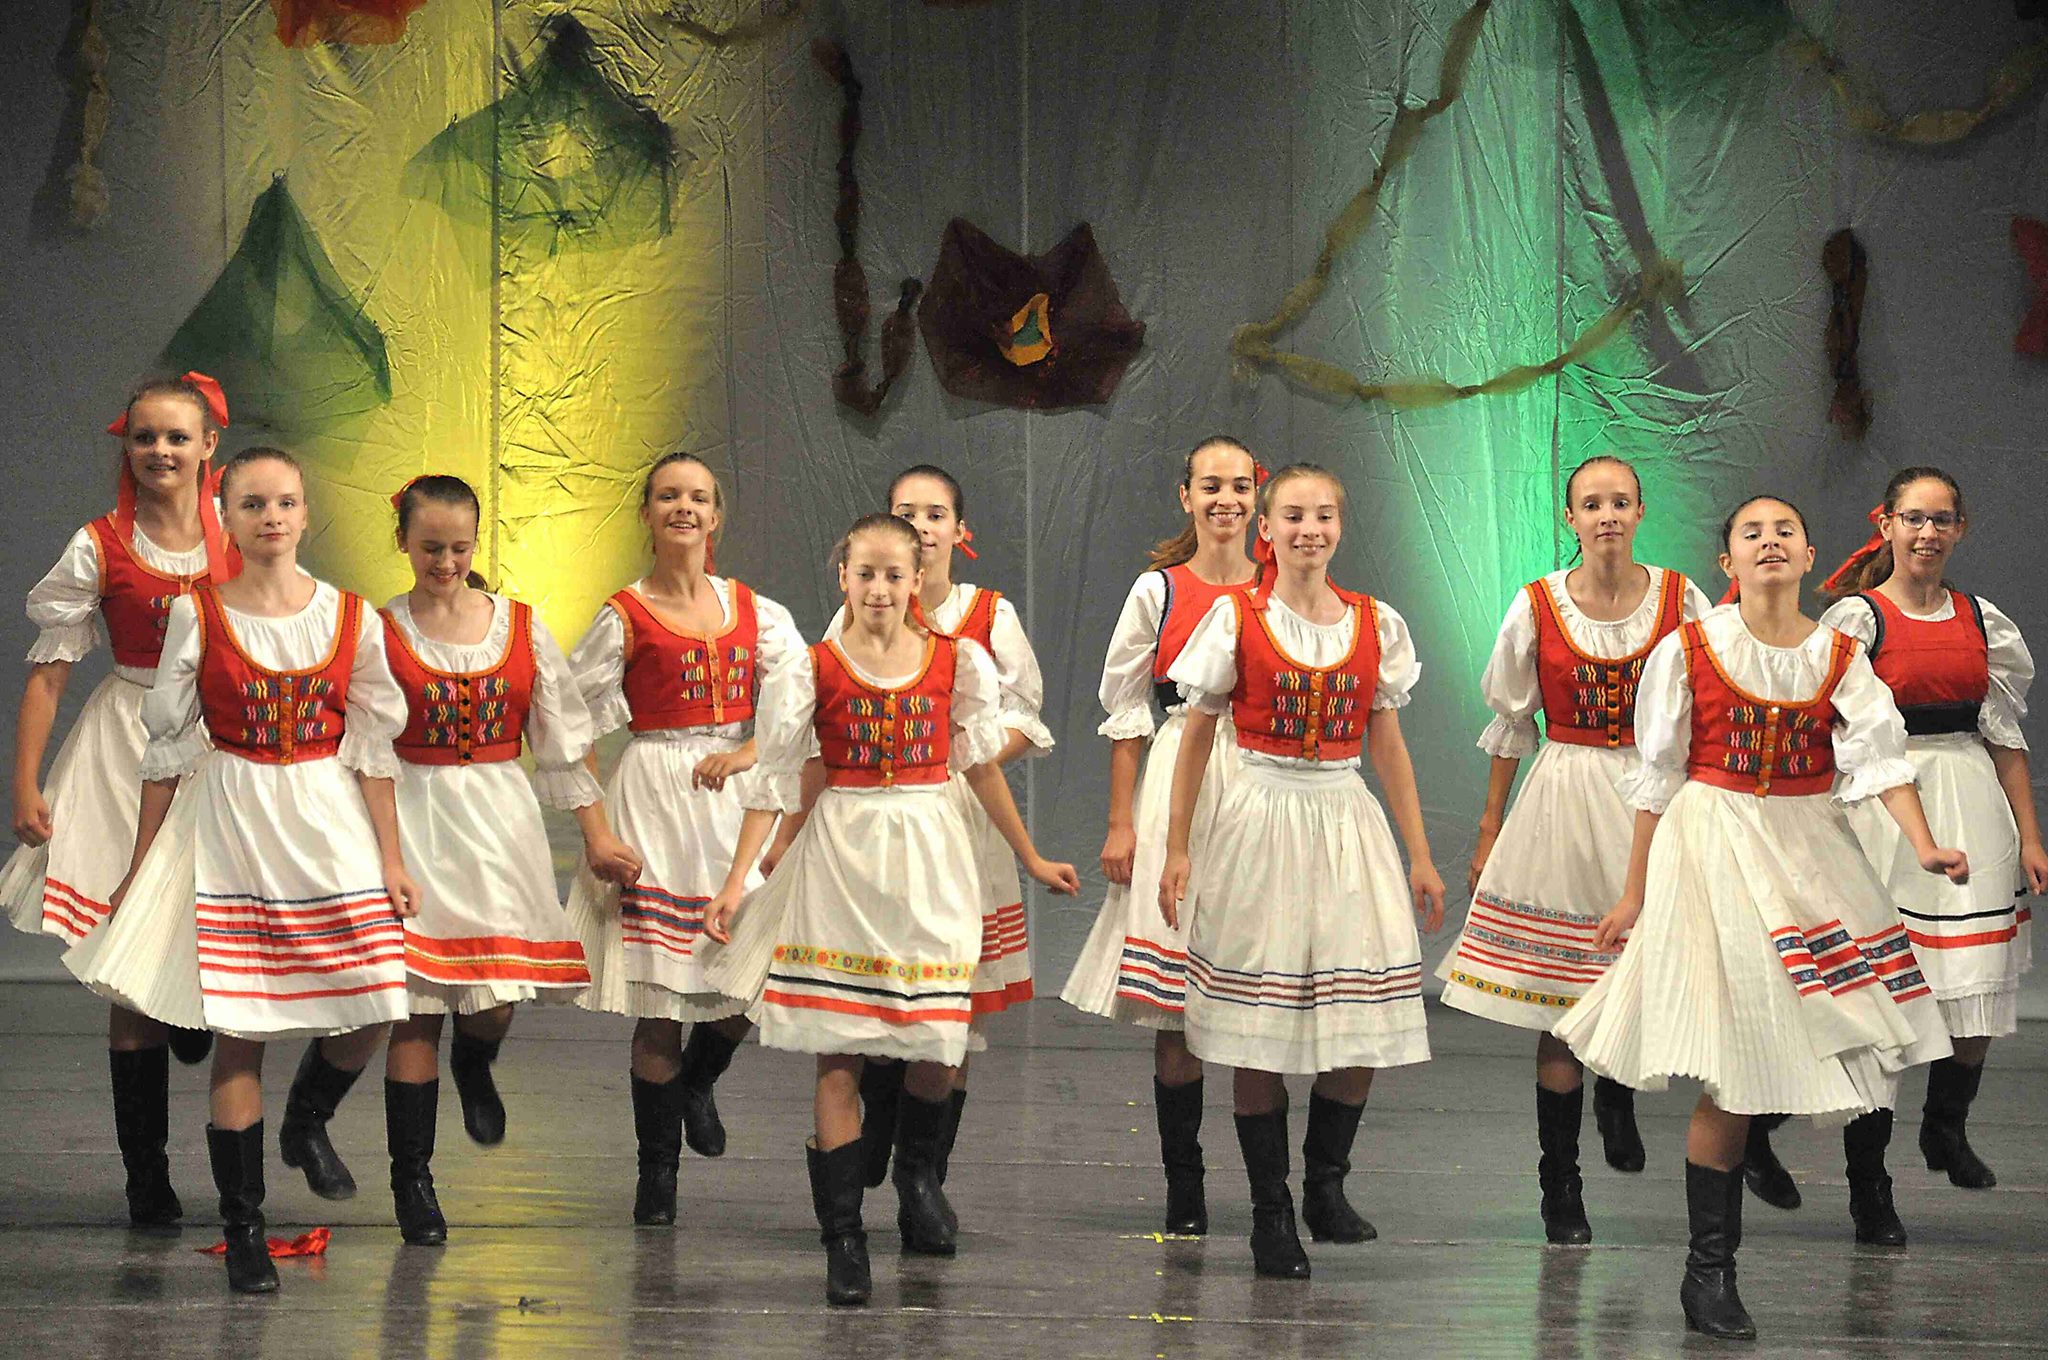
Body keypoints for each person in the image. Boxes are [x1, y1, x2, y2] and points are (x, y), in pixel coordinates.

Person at [1555, 494, 1961, 1340]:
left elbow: (1881, 760)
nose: (1770, 542)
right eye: (1752, 533)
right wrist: (1633, 893)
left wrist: (1923, 846)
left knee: (1832, 1028)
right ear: (1727, 562)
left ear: (1810, 556)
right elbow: (1659, 776)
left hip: (1808, 843)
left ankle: (1757, 1212)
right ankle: (1709, 1273)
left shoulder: (1840, 655)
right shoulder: (1690, 648)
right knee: (1734, 1063)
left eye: (1785, 532)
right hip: (1715, 840)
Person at [701, 512, 1079, 1307]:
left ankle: (916, 1177)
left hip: (931, 852)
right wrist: (737, 882)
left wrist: (1030, 857)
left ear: (916, 581)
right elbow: (776, 781)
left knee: (939, 1043)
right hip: (844, 853)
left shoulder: (956, 660)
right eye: (865, 573)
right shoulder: (810, 668)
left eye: (893, 575)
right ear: (844, 577)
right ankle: (844, 1240)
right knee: (839, 1052)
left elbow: (979, 766)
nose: (878, 589)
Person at [75, 445, 422, 1294]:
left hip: (326, 818)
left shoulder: (350, 617)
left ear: (306, 514)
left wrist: (391, 857)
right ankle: (246, 1228)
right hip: (236, 814)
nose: (272, 517)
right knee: (242, 1031)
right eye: (254, 504)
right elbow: (165, 749)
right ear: (225, 518)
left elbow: (374, 749)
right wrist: (140, 866)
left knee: (378, 997)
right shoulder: (198, 614)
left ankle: (308, 1115)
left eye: (286, 503)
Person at [1158, 462, 1445, 1281]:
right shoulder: (1236, 617)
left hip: (1343, 816)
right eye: (1292, 515)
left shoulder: (1374, 622)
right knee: (1260, 1023)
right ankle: (1270, 1212)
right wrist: (1178, 847)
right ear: (1268, 529)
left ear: (1339, 527)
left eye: (1323, 515)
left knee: (1360, 1017)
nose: (1308, 529)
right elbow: (1196, 736)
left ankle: (1326, 1185)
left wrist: (1420, 852)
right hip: (1261, 814)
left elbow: (1387, 742)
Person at [1434, 455, 1710, 1243]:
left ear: (1641, 511)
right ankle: (1560, 1183)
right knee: (1560, 1001)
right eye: (1592, 503)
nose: (1607, 515)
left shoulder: (1681, 598)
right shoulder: (1538, 605)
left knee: (1640, 969)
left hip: (1652, 795)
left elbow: (1710, 698)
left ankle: (1617, 1090)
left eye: (1620, 501)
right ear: (1571, 518)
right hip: (1566, 792)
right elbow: (1511, 723)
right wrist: (1489, 829)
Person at [4, 373, 237, 1229]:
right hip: (126, 747)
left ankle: (203, 1039)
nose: (160, 451)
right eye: (145, 437)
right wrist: (26, 780)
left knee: (212, 936)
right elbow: (50, 673)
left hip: (220, 744)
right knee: (127, 971)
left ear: (208, 445)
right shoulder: (100, 544)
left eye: (177, 436)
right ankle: (147, 1175)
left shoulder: (240, 532)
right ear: (127, 446)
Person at [562, 451, 806, 1226]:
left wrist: (749, 752)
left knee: (757, 969)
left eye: (698, 497)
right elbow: (567, 722)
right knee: (661, 998)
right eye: (668, 495)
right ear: (647, 513)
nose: (684, 508)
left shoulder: (755, 611)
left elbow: (800, 704)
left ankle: (699, 1080)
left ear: (716, 516)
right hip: (658, 798)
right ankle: (657, 1174)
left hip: (737, 800)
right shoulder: (624, 615)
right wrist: (597, 829)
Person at [376, 474, 599, 1244]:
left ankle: (476, 1062)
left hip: (498, 822)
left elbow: (563, 740)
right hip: (415, 818)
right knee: (416, 1009)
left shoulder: (520, 627)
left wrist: (597, 834)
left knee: (494, 998)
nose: (445, 562)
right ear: (404, 542)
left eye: (459, 548)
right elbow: (359, 744)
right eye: (430, 547)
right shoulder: (378, 631)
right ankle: (413, 1182)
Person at [1060, 436, 1259, 1236]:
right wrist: (1120, 823)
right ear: (1186, 496)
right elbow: (1127, 711)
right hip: (1183, 769)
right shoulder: (1161, 589)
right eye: (1211, 485)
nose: (1225, 499)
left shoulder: (1277, 585)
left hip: (1263, 773)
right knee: (1176, 996)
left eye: (1239, 486)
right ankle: (1185, 1181)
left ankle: (1272, 1186)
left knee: (1252, 968)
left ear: (1256, 496)